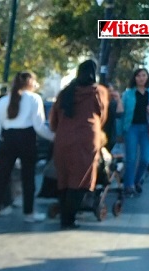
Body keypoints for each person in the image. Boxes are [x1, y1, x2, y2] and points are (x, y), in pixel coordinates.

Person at [0, 71, 54, 226]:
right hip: (27, 139)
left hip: (8, 139)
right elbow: (39, 126)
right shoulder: (35, 99)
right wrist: (54, 137)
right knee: (28, 178)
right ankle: (29, 212)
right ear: (31, 83)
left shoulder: (3, 101)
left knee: (1, 177)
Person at [49, 60, 109, 229]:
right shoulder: (98, 92)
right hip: (86, 139)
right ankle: (70, 218)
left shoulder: (65, 93)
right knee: (81, 179)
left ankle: (63, 216)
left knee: (64, 178)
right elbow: (102, 115)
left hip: (63, 139)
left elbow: (54, 118)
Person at [119, 67, 149, 196]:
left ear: (147, 77)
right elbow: (122, 114)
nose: (141, 78)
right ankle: (128, 185)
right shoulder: (128, 94)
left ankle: (137, 180)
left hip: (148, 128)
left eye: (143, 75)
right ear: (134, 78)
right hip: (131, 128)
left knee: (145, 159)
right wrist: (119, 132)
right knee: (131, 159)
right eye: (138, 76)